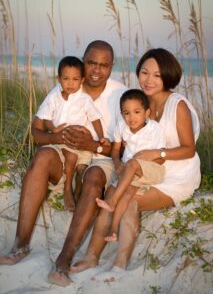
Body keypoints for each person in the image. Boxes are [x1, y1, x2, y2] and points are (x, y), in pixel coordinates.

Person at [0, 40, 127, 286]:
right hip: (62, 152)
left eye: (104, 65)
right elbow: (34, 134)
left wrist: (92, 145)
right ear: (82, 61)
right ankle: (20, 246)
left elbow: (125, 148)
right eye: (91, 63)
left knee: (93, 178)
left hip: (100, 158)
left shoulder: (121, 95)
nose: (96, 70)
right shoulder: (64, 89)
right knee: (43, 156)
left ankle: (63, 262)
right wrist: (57, 137)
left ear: (112, 66)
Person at [70, 48, 201, 282]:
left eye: (157, 75)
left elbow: (189, 149)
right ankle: (91, 255)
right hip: (140, 169)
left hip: (176, 174)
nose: (148, 80)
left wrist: (154, 153)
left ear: (168, 76)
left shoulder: (177, 105)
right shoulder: (138, 102)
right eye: (144, 72)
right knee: (111, 192)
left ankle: (120, 265)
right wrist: (116, 158)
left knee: (129, 199)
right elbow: (122, 139)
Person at [37, 56, 109, 211]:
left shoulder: (84, 99)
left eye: (75, 79)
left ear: (82, 80)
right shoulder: (54, 96)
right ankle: (67, 187)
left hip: (80, 140)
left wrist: (101, 136)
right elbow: (45, 117)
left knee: (83, 166)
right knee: (71, 158)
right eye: (66, 78)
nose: (70, 83)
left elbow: (95, 118)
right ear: (59, 79)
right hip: (62, 140)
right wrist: (53, 128)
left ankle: (78, 189)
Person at [96, 89, 166, 242]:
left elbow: (161, 158)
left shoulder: (154, 129)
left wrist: (140, 165)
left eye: (136, 112)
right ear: (122, 114)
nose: (131, 117)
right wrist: (117, 163)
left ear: (146, 113)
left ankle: (112, 201)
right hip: (130, 172)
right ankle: (114, 229)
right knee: (127, 193)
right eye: (126, 113)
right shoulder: (121, 127)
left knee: (133, 164)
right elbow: (115, 150)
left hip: (152, 169)